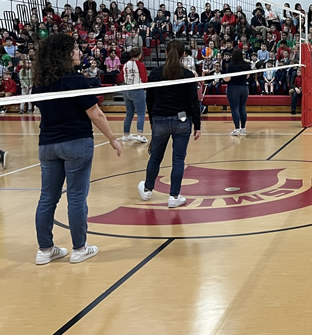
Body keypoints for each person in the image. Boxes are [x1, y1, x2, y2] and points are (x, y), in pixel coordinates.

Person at [33, 33, 122, 265]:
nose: (79, 52)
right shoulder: (76, 80)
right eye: (75, 49)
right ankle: (79, 248)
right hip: (76, 143)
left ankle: (44, 250)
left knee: (47, 198)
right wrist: (112, 138)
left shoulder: (39, 82)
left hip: (47, 145)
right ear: (64, 53)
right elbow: (96, 113)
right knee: (76, 197)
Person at [139, 40, 202, 208]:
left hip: (160, 118)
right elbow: (193, 102)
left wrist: (152, 121)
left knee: (156, 157)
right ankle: (174, 196)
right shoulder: (188, 75)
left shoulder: (156, 73)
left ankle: (147, 190)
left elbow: (150, 100)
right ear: (183, 55)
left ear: (166, 53)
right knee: (178, 159)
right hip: (181, 119)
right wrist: (198, 125)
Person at [121, 47, 148, 143]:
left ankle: (125, 135)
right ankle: (140, 135)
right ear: (139, 55)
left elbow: (121, 77)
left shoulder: (125, 65)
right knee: (141, 113)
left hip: (126, 89)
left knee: (129, 113)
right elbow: (144, 79)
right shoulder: (140, 65)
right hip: (137, 89)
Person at [224, 50, 250, 135]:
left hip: (233, 88)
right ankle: (243, 128)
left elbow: (227, 79)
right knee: (242, 107)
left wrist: (221, 76)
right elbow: (248, 76)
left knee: (235, 108)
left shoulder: (231, 66)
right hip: (244, 88)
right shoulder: (246, 65)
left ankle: (237, 129)